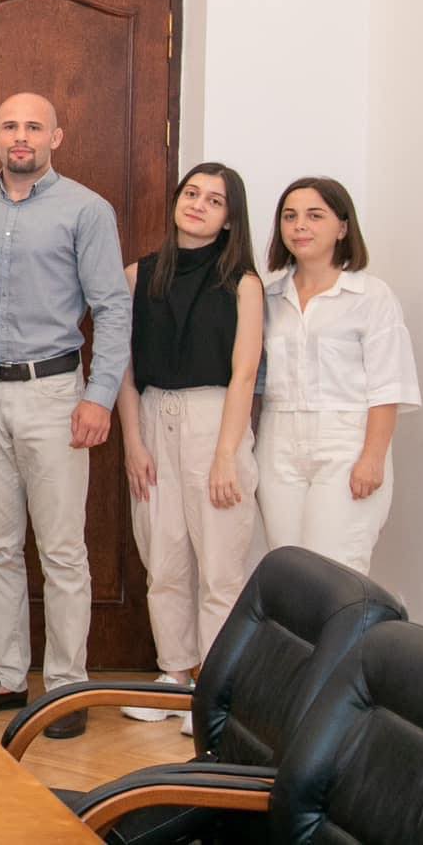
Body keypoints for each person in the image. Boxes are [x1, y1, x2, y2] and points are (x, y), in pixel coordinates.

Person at [0, 93, 130, 741]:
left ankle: (67, 688)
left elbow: (113, 307)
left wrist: (98, 396)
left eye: (33, 126)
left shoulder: (87, 210)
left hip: (55, 393)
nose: (20, 136)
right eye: (10, 126)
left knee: (62, 549)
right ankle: (5, 676)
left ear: (56, 136)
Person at [115, 162, 264, 728]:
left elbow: (244, 372)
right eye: (192, 193)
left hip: (215, 419)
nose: (198, 205)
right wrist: (133, 442)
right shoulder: (138, 275)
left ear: (229, 219)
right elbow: (123, 368)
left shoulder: (243, 283)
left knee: (221, 566)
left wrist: (226, 455)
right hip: (154, 416)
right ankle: (174, 674)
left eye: (215, 200)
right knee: (163, 556)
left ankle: (213, 688)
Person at [258, 177, 419, 575]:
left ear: (342, 227)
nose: (300, 226)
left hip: (345, 443)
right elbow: (254, 382)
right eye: (290, 216)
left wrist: (372, 459)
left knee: (336, 574)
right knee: (289, 571)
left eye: (315, 216)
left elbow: (388, 386)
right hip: (277, 444)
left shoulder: (371, 296)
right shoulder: (268, 297)